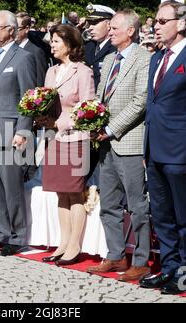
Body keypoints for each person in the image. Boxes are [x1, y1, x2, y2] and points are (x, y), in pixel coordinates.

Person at [86, 9, 151, 282]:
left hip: (129, 142)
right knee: (108, 204)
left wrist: (111, 129)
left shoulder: (144, 58)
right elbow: (103, 100)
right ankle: (115, 254)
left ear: (130, 31)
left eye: (114, 28)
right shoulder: (110, 59)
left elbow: (140, 101)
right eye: (109, 28)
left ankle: (141, 260)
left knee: (137, 206)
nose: (109, 31)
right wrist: (91, 122)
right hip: (105, 144)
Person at [0, 10, 37, 256]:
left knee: (11, 188)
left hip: (10, 132)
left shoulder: (23, 58)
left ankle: (17, 235)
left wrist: (23, 130)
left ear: (11, 30)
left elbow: (28, 97)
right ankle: (0, 232)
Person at [38, 24, 95, 266]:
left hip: (75, 138)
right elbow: (46, 100)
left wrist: (57, 122)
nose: (52, 45)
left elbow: (87, 108)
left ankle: (74, 245)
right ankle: (63, 242)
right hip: (54, 138)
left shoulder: (84, 72)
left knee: (74, 192)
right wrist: (39, 114)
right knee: (60, 193)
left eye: (57, 41)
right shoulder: (51, 72)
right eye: (51, 41)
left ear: (70, 45)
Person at [139, 0, 186, 295]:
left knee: (183, 217)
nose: (155, 25)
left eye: (161, 21)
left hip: (180, 151)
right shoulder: (157, 58)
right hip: (154, 149)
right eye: (155, 21)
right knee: (163, 216)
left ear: (181, 23)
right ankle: (169, 269)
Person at [84, 5, 117, 189]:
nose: (90, 26)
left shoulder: (115, 49)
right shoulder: (88, 47)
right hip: (88, 119)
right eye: (89, 22)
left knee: (107, 177)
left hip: (109, 120)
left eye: (95, 22)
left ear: (109, 23)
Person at [16, 12, 47, 86]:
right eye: (12, 28)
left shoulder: (36, 52)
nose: (13, 31)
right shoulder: (10, 49)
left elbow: (40, 81)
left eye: (17, 28)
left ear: (27, 29)